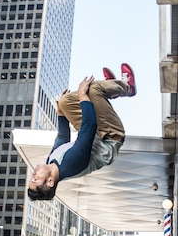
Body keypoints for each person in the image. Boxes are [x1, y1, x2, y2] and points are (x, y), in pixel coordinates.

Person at [28, 64, 136, 200]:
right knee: (93, 90)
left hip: (96, 134)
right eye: (35, 180)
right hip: (109, 136)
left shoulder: (51, 161)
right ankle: (127, 87)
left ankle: (110, 85)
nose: (33, 174)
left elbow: (62, 138)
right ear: (50, 182)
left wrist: (60, 114)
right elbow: (89, 126)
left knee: (64, 102)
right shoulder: (71, 164)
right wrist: (82, 94)